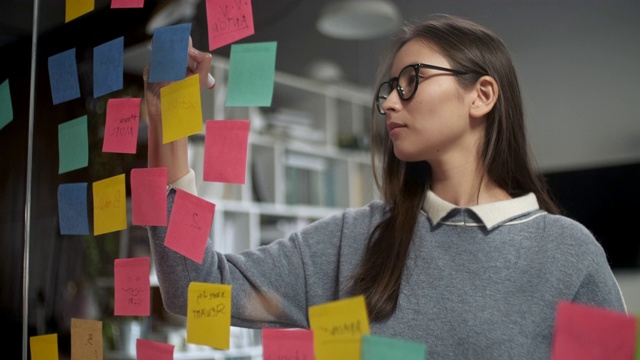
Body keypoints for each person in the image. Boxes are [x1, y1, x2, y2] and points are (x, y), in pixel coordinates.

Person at [145, 14, 626, 359]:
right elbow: (194, 288)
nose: (389, 103)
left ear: (481, 95)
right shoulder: (355, 239)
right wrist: (166, 124)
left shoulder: (568, 253)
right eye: (388, 89)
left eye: (411, 80)